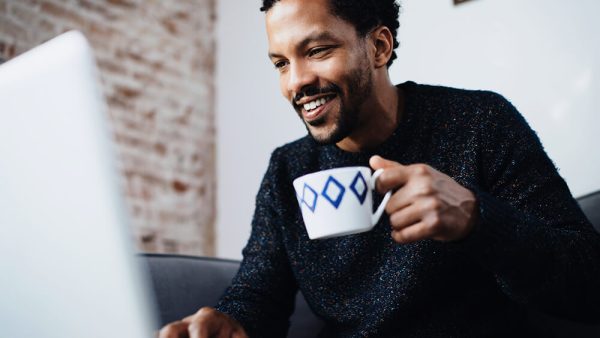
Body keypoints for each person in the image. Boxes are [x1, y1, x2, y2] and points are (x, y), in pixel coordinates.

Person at [159, 0, 600, 337]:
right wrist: (230, 321)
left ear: (378, 47)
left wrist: (476, 218)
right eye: (280, 63)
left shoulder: (479, 123)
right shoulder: (287, 169)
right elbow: (259, 290)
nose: (295, 82)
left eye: (316, 50)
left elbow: (587, 282)